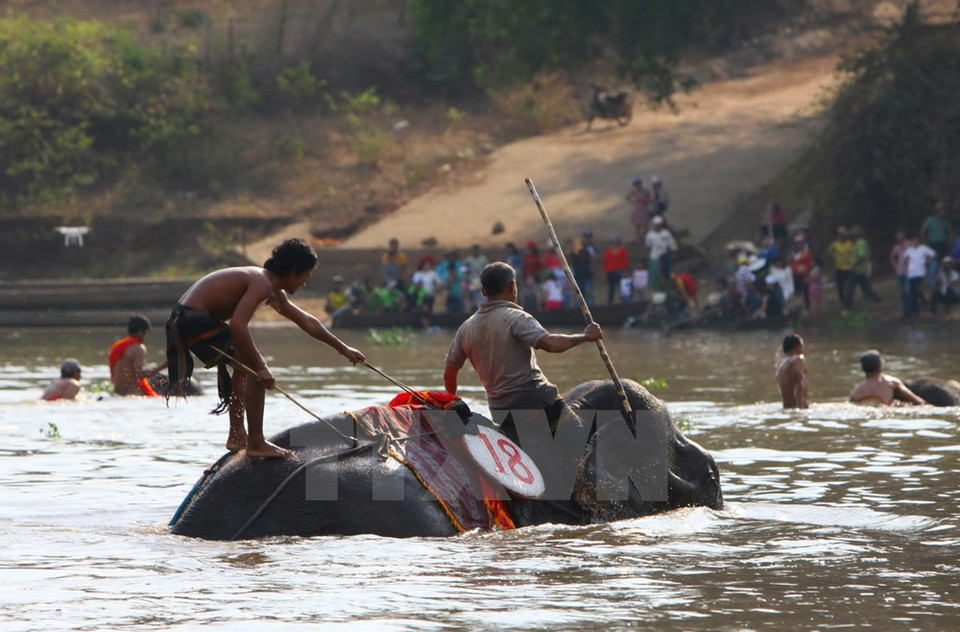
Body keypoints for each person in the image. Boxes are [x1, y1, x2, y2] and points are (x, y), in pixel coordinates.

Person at [166, 238, 365, 458]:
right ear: (293, 271)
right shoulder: (261, 283)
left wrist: (343, 348)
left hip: (187, 318)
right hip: (193, 320)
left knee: (244, 365)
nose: (304, 283)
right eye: (305, 277)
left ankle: (237, 435)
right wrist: (261, 366)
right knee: (253, 365)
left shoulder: (271, 288)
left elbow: (306, 321)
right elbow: (238, 324)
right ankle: (256, 443)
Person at [444, 262, 603, 441]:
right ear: (512, 287)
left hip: (500, 412)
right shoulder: (516, 318)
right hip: (537, 404)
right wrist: (585, 336)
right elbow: (551, 344)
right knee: (585, 438)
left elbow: (450, 371)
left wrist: (453, 401)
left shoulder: (466, 328)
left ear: (484, 292)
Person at [109, 315, 167, 397]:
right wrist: (164, 366)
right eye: (146, 333)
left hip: (117, 394)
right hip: (134, 396)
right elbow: (140, 375)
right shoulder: (138, 348)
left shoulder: (118, 346)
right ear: (141, 332)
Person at [849, 350, 925, 406]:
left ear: (863, 369)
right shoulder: (892, 382)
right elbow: (918, 402)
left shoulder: (856, 392)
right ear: (880, 366)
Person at [846, 225, 881, 307]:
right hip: (862, 270)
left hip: (858, 269)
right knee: (866, 288)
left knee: (849, 288)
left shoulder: (861, 243)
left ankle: (847, 308)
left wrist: (854, 264)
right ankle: (878, 300)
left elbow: (861, 256)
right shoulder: (858, 243)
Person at [902, 234, 935, 318]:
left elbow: (934, 255)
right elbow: (903, 258)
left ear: (918, 240)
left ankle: (923, 303)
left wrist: (927, 261)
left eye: (916, 240)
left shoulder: (923, 248)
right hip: (911, 274)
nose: (914, 242)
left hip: (920, 273)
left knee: (915, 289)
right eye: (913, 240)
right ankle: (915, 310)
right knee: (912, 292)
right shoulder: (910, 250)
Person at [645, 216, 677, 292]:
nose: (657, 227)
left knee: (668, 275)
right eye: (655, 225)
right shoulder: (649, 235)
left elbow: (672, 244)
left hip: (665, 258)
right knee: (656, 276)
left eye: (659, 225)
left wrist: (673, 252)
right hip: (655, 258)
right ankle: (657, 291)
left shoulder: (666, 233)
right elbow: (648, 246)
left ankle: (668, 290)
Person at [776, 334, 808, 409]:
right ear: (798, 347)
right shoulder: (798, 359)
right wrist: (801, 409)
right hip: (797, 408)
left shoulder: (781, 367)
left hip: (787, 408)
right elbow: (800, 383)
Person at [827, 227, 856, 311]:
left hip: (848, 268)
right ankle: (843, 302)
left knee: (848, 287)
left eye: (841, 236)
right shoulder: (836, 244)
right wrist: (835, 255)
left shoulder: (850, 244)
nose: (839, 237)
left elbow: (854, 253)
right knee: (840, 287)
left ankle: (849, 303)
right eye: (838, 236)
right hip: (839, 268)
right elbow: (829, 251)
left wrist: (853, 262)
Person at [569, 230, 597, 307]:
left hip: (587, 275)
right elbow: (569, 258)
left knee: (588, 293)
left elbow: (593, 260)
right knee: (578, 296)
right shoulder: (575, 251)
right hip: (578, 275)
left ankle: (592, 310)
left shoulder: (588, 249)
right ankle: (578, 312)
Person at [889, 228, 910, 319]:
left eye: (899, 234)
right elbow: (892, 257)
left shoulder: (909, 245)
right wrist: (896, 266)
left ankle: (911, 310)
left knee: (907, 291)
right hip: (900, 271)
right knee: (903, 292)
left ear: (904, 235)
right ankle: (905, 311)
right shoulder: (896, 247)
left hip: (909, 272)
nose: (897, 236)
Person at [602, 235, 629, 304]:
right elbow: (606, 262)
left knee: (621, 288)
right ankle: (610, 303)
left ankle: (623, 302)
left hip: (620, 271)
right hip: (610, 271)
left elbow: (625, 261)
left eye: (616, 241)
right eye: (613, 242)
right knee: (611, 289)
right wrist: (605, 273)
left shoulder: (622, 250)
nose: (614, 243)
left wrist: (625, 271)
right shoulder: (608, 251)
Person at [626, 177, 652, 243]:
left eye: (637, 184)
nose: (637, 186)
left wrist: (647, 202)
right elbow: (627, 197)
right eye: (635, 185)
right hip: (638, 209)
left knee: (645, 225)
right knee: (637, 225)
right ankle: (639, 239)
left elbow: (651, 198)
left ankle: (643, 238)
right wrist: (633, 202)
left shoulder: (645, 190)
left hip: (644, 208)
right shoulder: (634, 190)